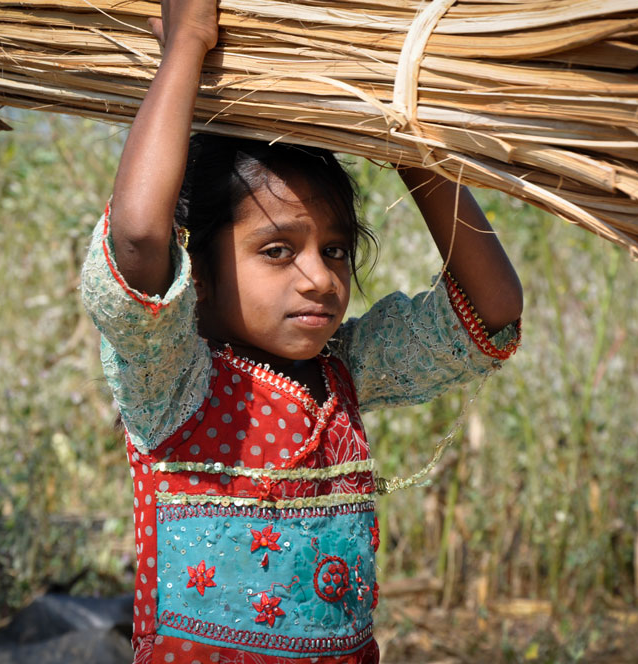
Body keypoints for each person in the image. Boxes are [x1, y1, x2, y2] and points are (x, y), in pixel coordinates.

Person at [80, 1, 523, 661]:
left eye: (336, 249)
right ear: (197, 266)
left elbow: (490, 311)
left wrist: (404, 138)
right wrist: (188, 46)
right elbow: (140, 237)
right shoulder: (172, 382)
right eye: (278, 251)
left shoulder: (347, 368)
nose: (320, 278)